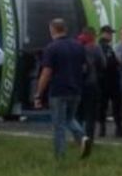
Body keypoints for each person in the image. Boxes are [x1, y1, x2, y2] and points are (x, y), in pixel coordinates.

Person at [35, 19, 92, 160]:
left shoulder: (51, 48)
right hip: (76, 89)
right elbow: (85, 68)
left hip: (58, 91)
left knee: (58, 124)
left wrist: (38, 93)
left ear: (52, 29)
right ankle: (83, 138)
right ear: (65, 29)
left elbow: (46, 72)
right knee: (70, 118)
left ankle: (60, 156)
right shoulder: (78, 46)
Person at [77, 28, 106, 142]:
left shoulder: (77, 46)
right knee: (90, 114)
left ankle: (78, 137)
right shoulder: (95, 47)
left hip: (78, 84)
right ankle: (89, 138)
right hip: (91, 83)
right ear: (93, 36)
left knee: (78, 113)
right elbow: (103, 64)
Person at [97, 25, 122, 138]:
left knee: (105, 106)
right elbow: (110, 63)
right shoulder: (103, 47)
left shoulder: (106, 46)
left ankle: (105, 129)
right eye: (109, 33)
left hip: (106, 81)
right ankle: (115, 129)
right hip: (109, 80)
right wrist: (118, 62)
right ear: (103, 33)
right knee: (114, 106)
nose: (110, 36)